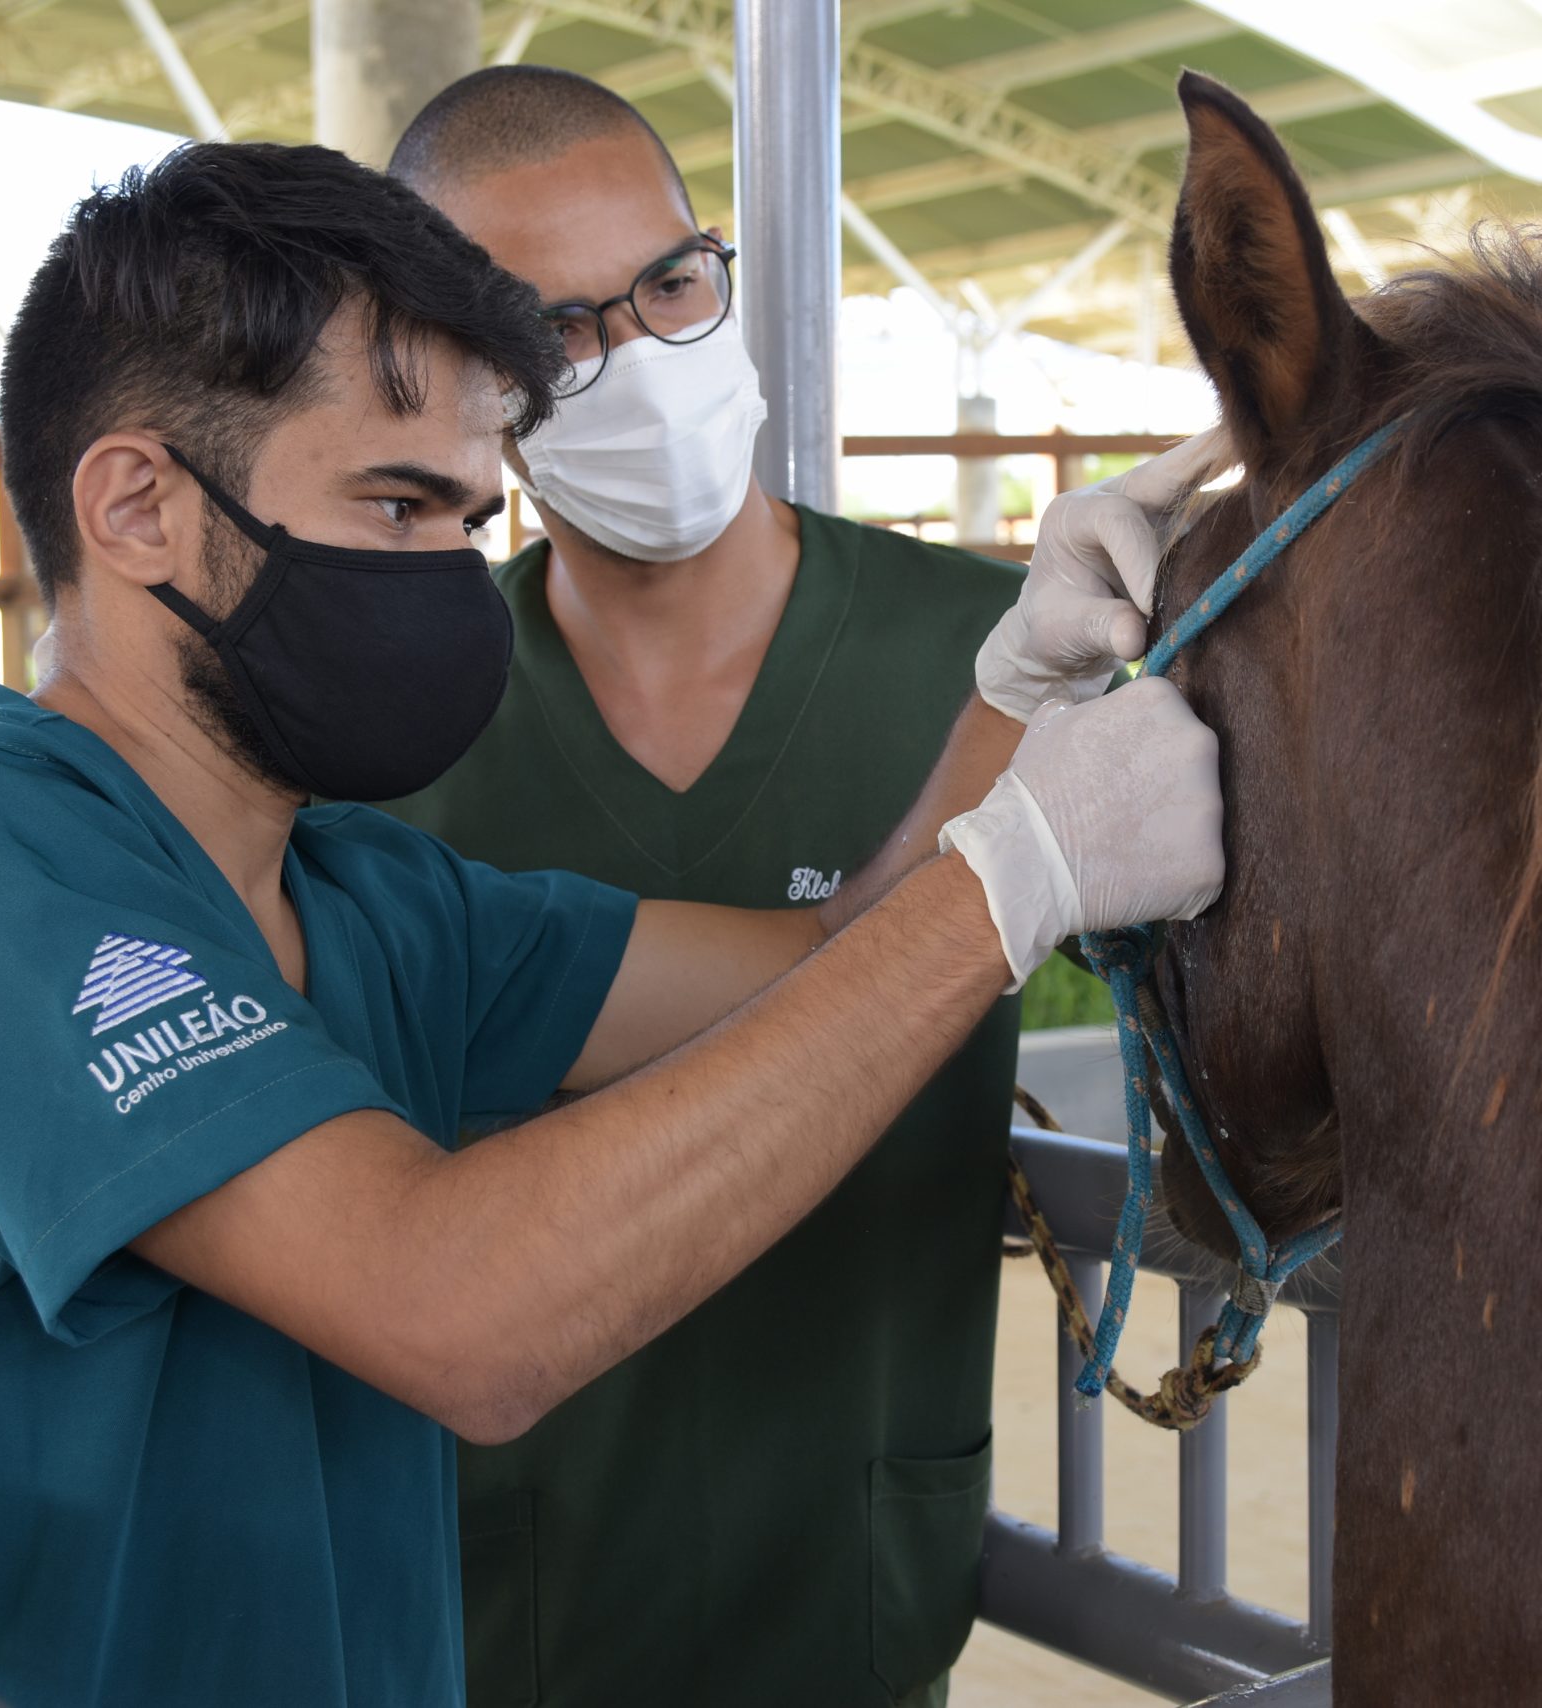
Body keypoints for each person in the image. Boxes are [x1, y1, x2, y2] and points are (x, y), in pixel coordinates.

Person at [0, 142, 1223, 1708]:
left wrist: (1009, 705)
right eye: (397, 504)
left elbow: (829, 969)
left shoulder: (371, 900)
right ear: (139, 505)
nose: (449, 582)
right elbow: (463, 1317)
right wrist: (1012, 879)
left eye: (470, 523)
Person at [376, 66, 1215, 1708]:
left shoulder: (991, 659)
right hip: (498, 1621)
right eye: (554, 333)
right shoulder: (393, 730)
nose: (641, 359)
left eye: (672, 284)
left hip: (855, 1597)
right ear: (458, 382)